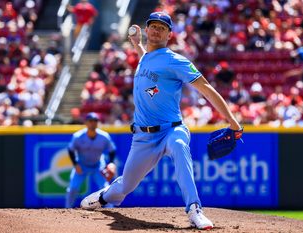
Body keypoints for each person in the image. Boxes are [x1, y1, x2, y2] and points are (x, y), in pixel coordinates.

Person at [80, 12, 242, 230]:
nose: (156, 30)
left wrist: (233, 122)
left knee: (179, 145)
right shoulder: (146, 57)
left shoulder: (175, 60)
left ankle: (195, 209)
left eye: (162, 28)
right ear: (147, 30)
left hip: (171, 129)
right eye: (153, 26)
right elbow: (148, 62)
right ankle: (104, 196)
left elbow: (206, 88)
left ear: (169, 35)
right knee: (125, 186)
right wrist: (137, 45)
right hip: (143, 137)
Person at [65, 112, 116, 208]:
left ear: (98, 123)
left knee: (106, 190)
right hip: (82, 165)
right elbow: (70, 150)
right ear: (86, 123)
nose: (93, 123)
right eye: (90, 121)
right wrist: (75, 164)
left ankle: (110, 209)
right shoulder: (78, 136)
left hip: (98, 166)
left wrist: (111, 163)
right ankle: (67, 209)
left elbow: (112, 150)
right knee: (72, 189)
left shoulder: (104, 136)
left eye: (95, 121)